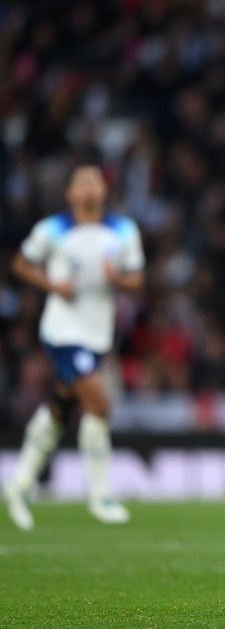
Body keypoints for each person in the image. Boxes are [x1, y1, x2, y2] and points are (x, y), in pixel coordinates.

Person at [4, 160, 145, 530]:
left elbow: (137, 280)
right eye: (80, 183)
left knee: (60, 408)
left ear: (103, 190)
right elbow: (21, 264)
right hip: (63, 331)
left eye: (93, 182)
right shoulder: (53, 230)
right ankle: (100, 496)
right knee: (99, 403)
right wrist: (54, 286)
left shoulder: (122, 231)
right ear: (70, 193)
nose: (87, 189)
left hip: (97, 333)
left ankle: (18, 485)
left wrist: (118, 279)